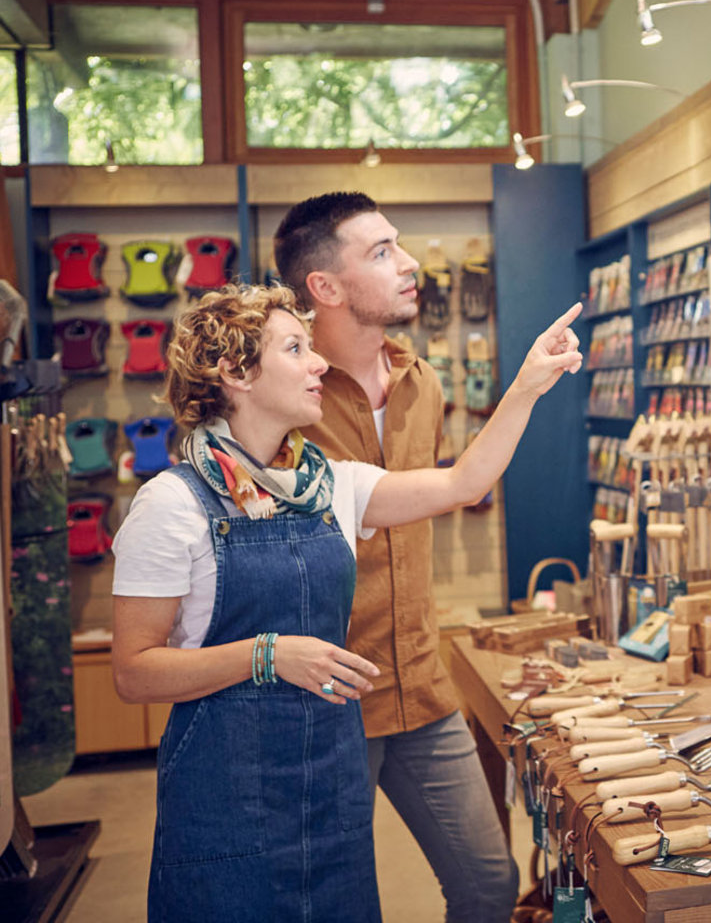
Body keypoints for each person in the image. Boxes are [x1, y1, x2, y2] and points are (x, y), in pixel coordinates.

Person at [110, 285, 581, 923]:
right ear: (236, 372)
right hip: (226, 797)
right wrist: (267, 655)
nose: (319, 365)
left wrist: (527, 384)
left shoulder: (331, 484)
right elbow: (134, 670)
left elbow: (463, 482)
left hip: (329, 785)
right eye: (296, 348)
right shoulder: (172, 504)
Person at [269, 191, 519, 920]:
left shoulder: (423, 383)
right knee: (333, 904)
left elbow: (439, 498)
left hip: (422, 682)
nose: (409, 264)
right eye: (381, 252)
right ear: (326, 287)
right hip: (327, 698)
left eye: (399, 244)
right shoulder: (288, 397)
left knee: (488, 883)